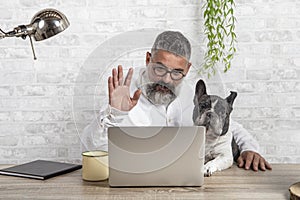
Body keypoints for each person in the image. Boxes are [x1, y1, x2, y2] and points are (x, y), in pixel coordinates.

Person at [82, 30, 272, 172]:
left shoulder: (192, 94)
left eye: (176, 72)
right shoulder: (123, 94)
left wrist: (249, 149)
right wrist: (114, 113)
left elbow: (229, 126)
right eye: (159, 69)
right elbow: (92, 148)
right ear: (148, 59)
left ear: (187, 70)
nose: (166, 79)